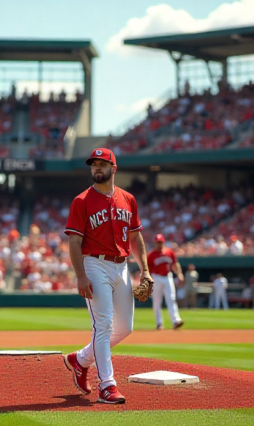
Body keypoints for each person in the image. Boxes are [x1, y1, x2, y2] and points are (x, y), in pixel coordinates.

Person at [62, 148, 148, 405]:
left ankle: (80, 359)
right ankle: (107, 385)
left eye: (102, 163)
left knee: (126, 328)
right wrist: (80, 276)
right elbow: (74, 243)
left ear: (113, 167)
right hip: (94, 265)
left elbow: (135, 236)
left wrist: (145, 271)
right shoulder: (82, 201)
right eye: (93, 164)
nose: (97, 167)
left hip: (122, 265)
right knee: (104, 325)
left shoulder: (128, 199)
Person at [147, 234, 183, 330]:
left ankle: (176, 321)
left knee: (171, 299)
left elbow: (175, 263)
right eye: (157, 242)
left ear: (163, 242)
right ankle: (159, 323)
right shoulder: (151, 255)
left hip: (168, 276)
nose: (159, 244)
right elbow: (147, 269)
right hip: (156, 277)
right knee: (157, 301)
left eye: (160, 242)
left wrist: (179, 274)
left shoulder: (169, 252)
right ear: (155, 243)